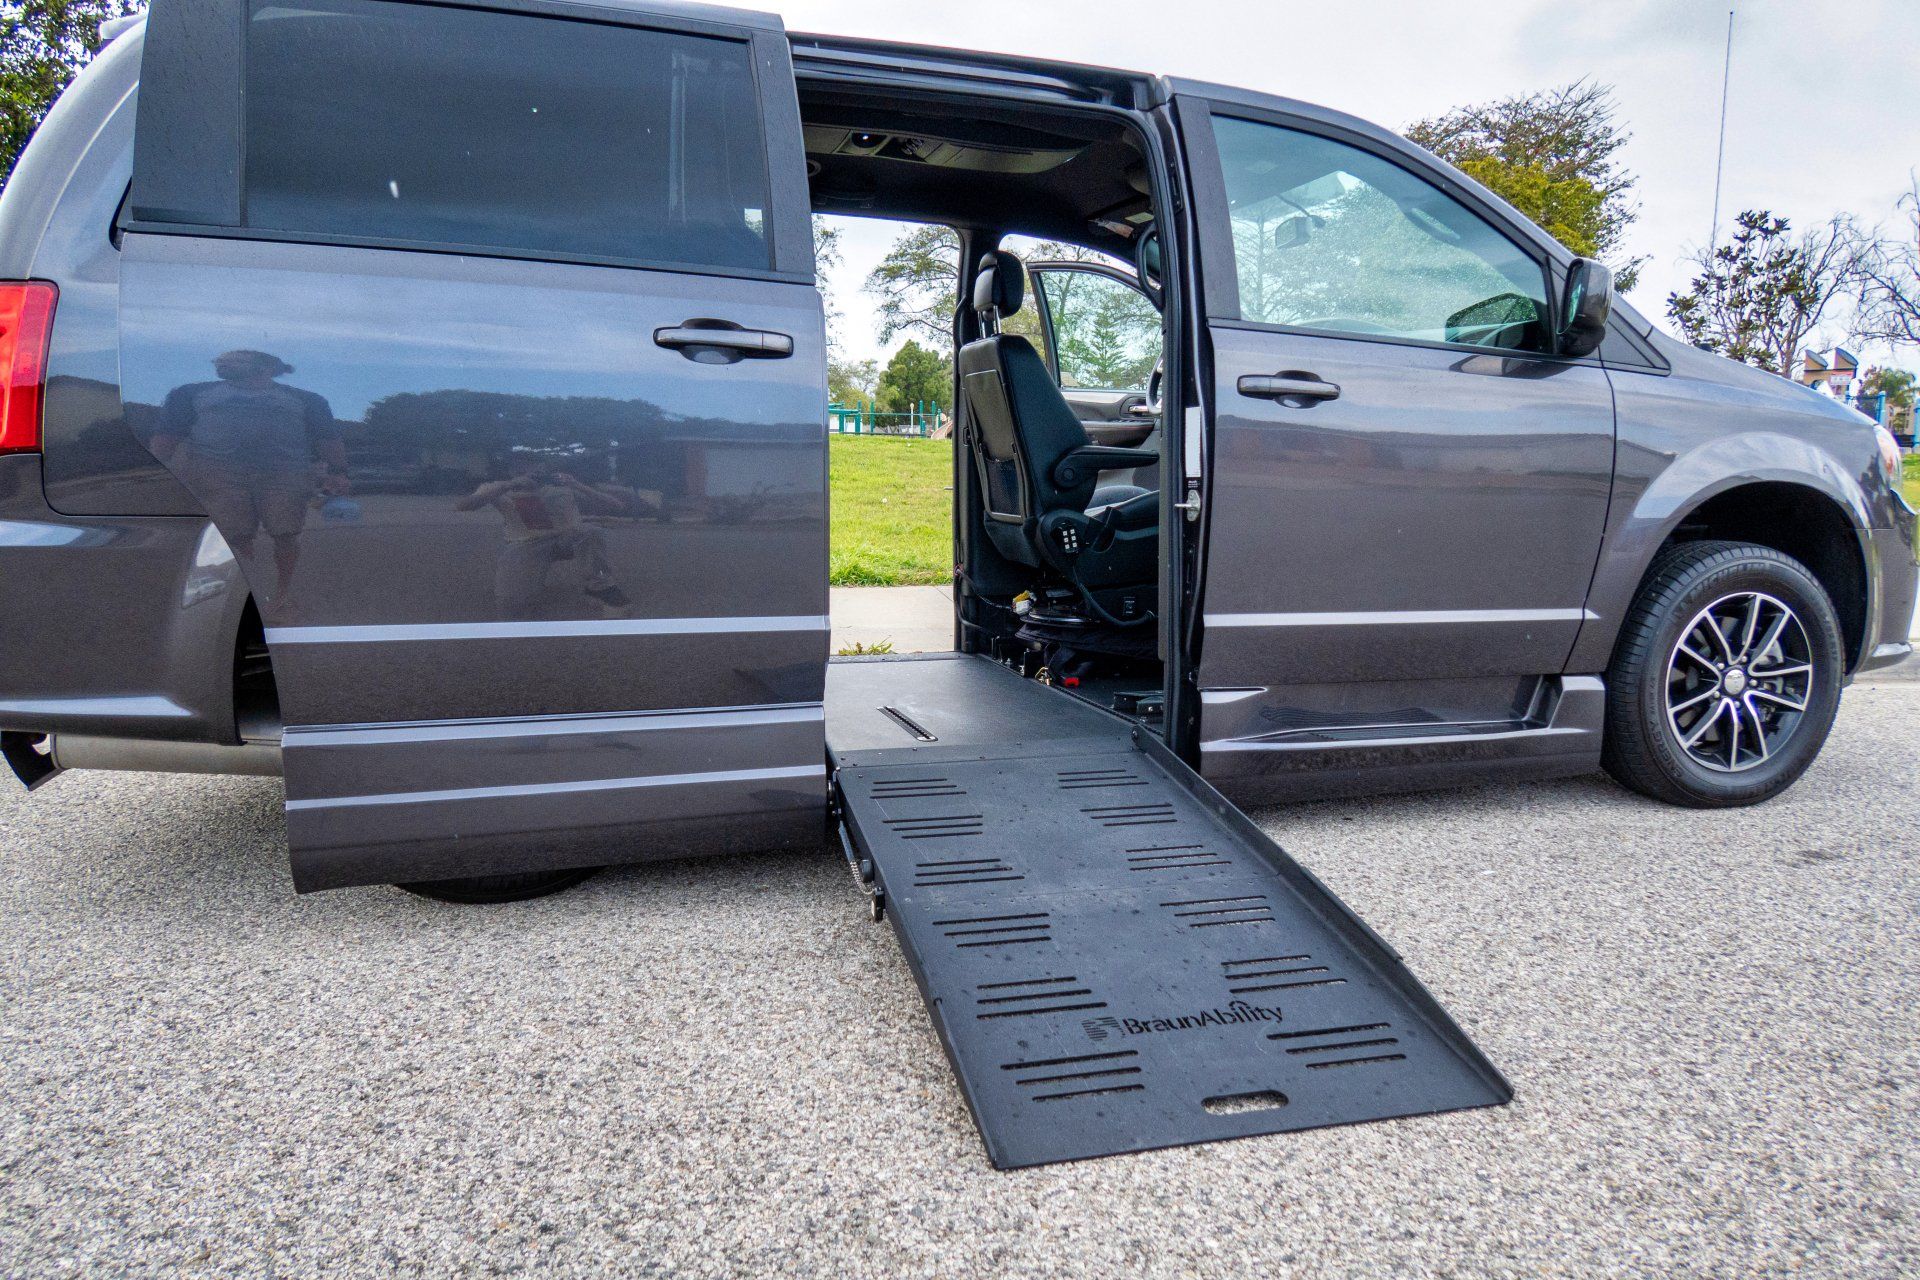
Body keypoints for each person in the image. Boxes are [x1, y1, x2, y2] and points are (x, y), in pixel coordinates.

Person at [150, 351, 345, 615]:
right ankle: (248, 597)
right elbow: (167, 437)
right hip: (218, 474)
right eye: (219, 360)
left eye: (235, 359)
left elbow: (327, 439)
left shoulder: (306, 400)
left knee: (286, 534)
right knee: (234, 537)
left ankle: (282, 594)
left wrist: (338, 472)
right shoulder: (190, 394)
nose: (222, 363)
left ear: (265, 367)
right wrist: (154, 473)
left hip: (284, 474)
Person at [455, 450, 633, 618]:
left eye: (533, 465)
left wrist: (576, 484)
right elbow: (463, 506)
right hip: (526, 544)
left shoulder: (562, 486)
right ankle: (529, 581)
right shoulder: (497, 488)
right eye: (520, 466)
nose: (529, 470)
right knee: (512, 606)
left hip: (568, 538)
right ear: (511, 470)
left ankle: (599, 586)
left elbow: (616, 505)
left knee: (591, 531)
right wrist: (508, 485)